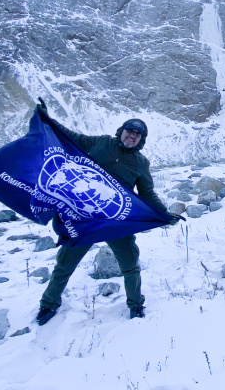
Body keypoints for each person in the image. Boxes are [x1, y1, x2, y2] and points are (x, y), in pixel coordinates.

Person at [35, 108, 173, 325]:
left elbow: (146, 193)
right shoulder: (100, 143)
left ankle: (135, 305)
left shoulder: (140, 163)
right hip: (84, 217)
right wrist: (48, 120)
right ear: (122, 131)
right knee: (65, 263)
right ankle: (48, 304)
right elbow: (71, 138)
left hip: (115, 221)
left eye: (138, 134)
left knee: (130, 264)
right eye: (130, 131)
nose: (132, 136)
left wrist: (164, 214)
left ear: (141, 140)